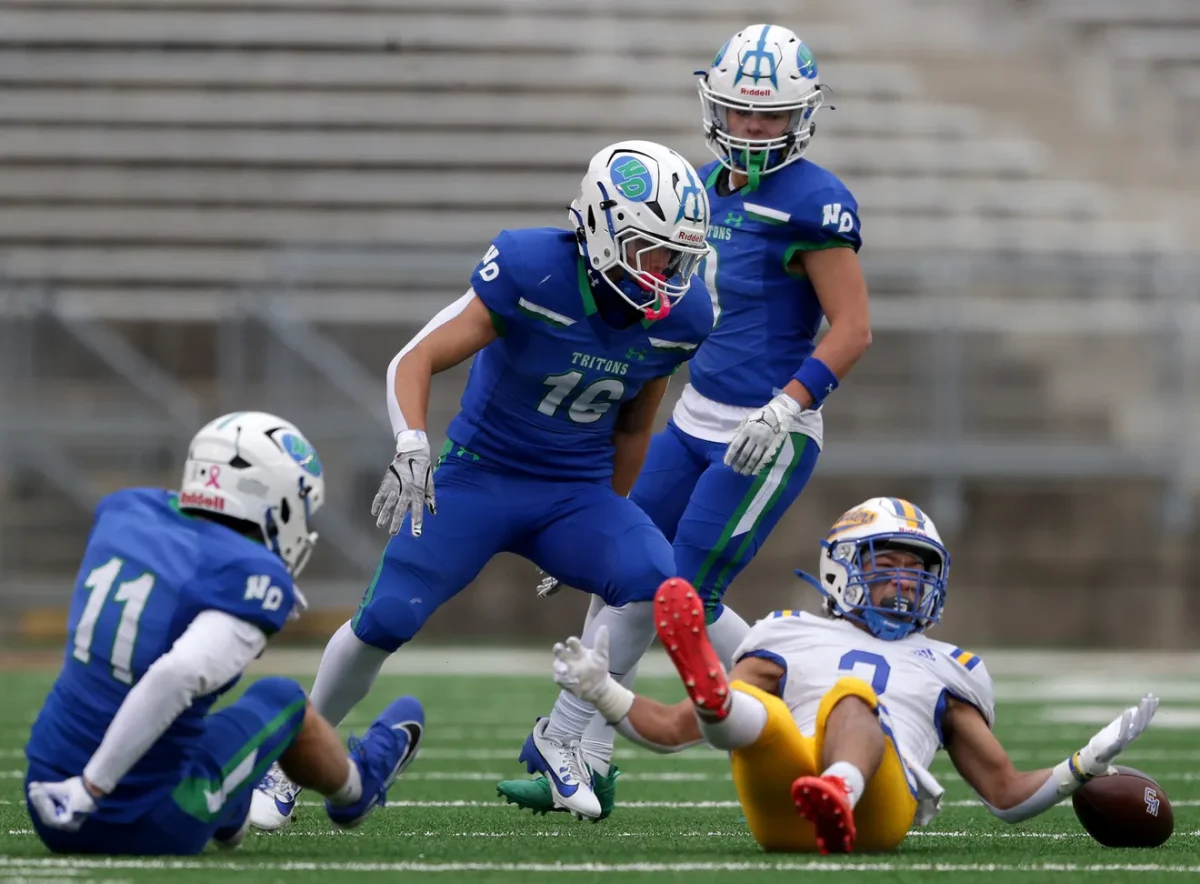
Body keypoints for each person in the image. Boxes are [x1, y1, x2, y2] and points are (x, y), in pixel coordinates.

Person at [248, 140, 715, 828]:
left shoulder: (683, 318)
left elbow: (634, 429)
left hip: (574, 493)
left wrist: (610, 517)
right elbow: (418, 355)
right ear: (604, 227)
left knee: (654, 576)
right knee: (388, 618)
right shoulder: (533, 268)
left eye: (678, 258)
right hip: (480, 477)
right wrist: (412, 441)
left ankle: (561, 735)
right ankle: (293, 758)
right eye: (653, 253)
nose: (667, 276)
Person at [501, 22, 872, 819]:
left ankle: (569, 742)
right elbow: (667, 317)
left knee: (663, 590)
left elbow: (852, 329)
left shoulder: (816, 202)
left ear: (800, 117)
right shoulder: (695, 185)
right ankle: (805, 695)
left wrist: (789, 403)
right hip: (694, 414)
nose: (750, 129)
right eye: (738, 112)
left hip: (768, 429)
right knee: (631, 568)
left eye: (768, 117)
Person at [548, 497, 1160, 853]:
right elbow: (674, 729)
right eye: (886, 563)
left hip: (878, 814)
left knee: (850, 698)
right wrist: (603, 690)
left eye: (917, 568)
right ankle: (721, 697)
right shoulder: (787, 632)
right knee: (758, 719)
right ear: (842, 570)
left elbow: (1004, 795)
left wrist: (1082, 764)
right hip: (785, 809)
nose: (904, 579)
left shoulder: (953, 666)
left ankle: (839, 783)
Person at [24, 411, 424, 855]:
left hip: (44, 788)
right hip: (135, 818)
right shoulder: (248, 573)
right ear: (272, 497)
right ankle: (355, 789)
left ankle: (228, 812)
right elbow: (177, 674)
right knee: (281, 698)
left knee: (191, 717)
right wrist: (90, 788)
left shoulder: (125, 511)